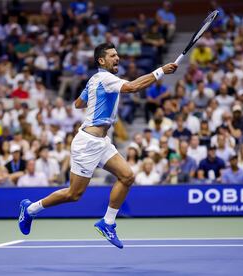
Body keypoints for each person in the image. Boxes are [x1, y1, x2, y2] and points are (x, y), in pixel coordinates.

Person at [18, 42, 178, 249]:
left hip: (102, 141)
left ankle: (107, 222)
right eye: (112, 55)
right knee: (73, 195)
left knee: (128, 176)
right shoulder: (105, 78)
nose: (117, 58)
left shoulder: (95, 79)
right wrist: (160, 71)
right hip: (87, 144)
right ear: (101, 61)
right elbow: (132, 87)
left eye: (117, 54)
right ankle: (30, 209)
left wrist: (93, 95)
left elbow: (78, 104)